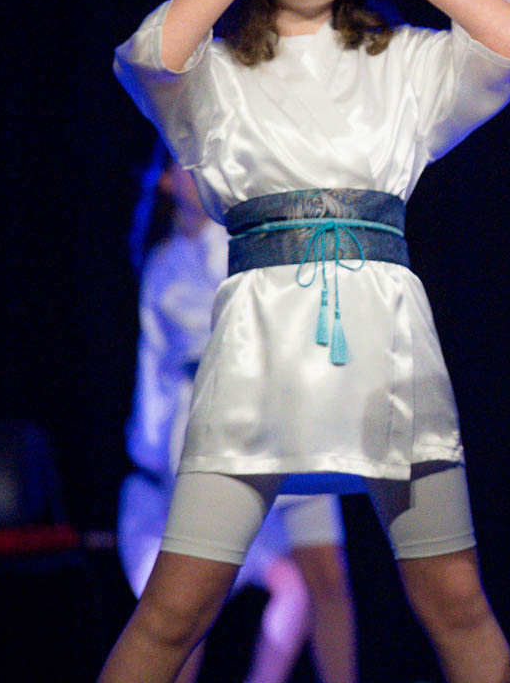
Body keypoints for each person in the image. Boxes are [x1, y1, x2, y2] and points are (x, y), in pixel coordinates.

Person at [102, 0, 510, 683]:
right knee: (173, 612)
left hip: (387, 345)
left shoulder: (402, 61)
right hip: (258, 353)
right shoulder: (216, 73)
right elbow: (146, 56)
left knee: (456, 602)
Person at [121, 148, 358, 683]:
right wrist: (151, 459)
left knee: (324, 577)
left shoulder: (247, 236)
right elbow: (166, 360)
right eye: (185, 166)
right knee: (189, 596)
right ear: (165, 182)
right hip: (210, 435)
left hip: (287, 419)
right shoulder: (165, 266)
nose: (201, 174)